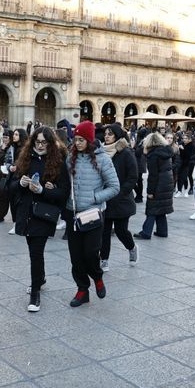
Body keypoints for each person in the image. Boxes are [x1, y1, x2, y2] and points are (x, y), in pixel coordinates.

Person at [11, 127, 70, 312]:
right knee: (34, 250)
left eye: (44, 142)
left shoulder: (58, 162)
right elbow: (10, 186)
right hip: (26, 212)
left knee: (36, 252)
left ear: (51, 143)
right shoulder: (25, 158)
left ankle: (35, 293)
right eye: (37, 141)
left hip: (44, 214)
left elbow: (63, 192)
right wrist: (20, 183)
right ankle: (41, 278)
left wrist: (44, 190)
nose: (40, 145)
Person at [63, 120, 120, 307]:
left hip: (93, 214)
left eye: (81, 139)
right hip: (73, 214)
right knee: (76, 257)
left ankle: (97, 277)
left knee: (90, 253)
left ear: (89, 139)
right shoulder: (70, 157)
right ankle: (82, 290)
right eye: (75, 139)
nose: (77, 143)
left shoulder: (102, 159)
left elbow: (114, 187)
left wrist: (95, 197)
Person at [99, 124, 139, 270]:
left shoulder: (126, 152)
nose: (107, 136)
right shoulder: (101, 152)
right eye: (105, 134)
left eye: (110, 134)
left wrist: (120, 192)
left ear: (116, 136)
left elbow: (133, 176)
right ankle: (104, 260)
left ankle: (132, 247)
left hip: (121, 200)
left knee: (122, 231)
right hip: (105, 198)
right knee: (104, 232)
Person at [133, 132, 175, 240]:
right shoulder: (166, 151)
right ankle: (162, 231)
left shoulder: (153, 155)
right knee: (161, 208)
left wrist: (150, 191)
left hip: (159, 184)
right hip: (167, 183)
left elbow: (153, 175)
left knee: (152, 207)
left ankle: (146, 232)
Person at [0, 129, 13, 223]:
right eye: (3, 137)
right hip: (1, 175)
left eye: (6, 137)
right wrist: (2, 149)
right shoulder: (2, 147)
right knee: (0, 195)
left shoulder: (13, 148)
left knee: (9, 196)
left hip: (11, 175)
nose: (4, 139)